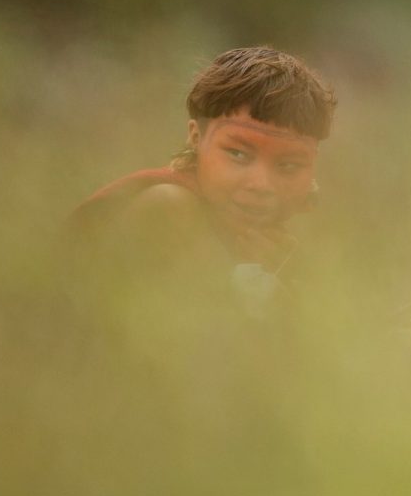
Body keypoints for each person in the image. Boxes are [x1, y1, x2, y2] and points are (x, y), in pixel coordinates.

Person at [72, 45, 336, 317]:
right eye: (238, 154)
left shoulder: (278, 248)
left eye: (289, 165)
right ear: (196, 138)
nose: (261, 184)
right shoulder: (168, 207)